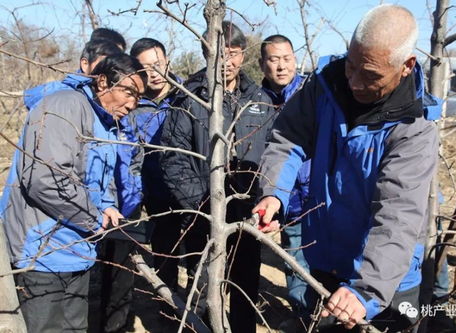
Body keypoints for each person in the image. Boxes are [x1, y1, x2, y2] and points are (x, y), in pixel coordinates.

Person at [253, 5, 439, 332]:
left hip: (387, 279)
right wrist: (275, 194)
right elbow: (289, 138)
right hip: (324, 258)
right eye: (351, 66)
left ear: (406, 66)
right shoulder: (325, 85)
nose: (353, 82)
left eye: (370, 75)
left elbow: (398, 215)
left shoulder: (416, 127)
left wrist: (366, 291)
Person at [0, 54, 146, 333]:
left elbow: (99, 181)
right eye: (129, 92)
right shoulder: (64, 105)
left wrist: (107, 206)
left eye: (138, 97)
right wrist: (94, 218)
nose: (132, 104)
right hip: (42, 253)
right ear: (102, 81)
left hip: (78, 251)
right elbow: (46, 180)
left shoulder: (105, 122)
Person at [160, 21, 275, 333]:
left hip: (247, 218)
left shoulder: (259, 100)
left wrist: (265, 200)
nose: (227, 62)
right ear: (205, 54)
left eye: (234, 53)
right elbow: (173, 159)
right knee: (201, 293)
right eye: (218, 54)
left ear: (243, 54)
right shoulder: (189, 99)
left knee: (244, 293)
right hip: (201, 217)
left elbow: (273, 156)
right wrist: (201, 204)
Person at [99, 37, 182, 332]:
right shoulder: (130, 105)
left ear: (168, 61)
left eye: (158, 64)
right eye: (146, 68)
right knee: (163, 257)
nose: (155, 73)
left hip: (188, 194)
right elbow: (124, 157)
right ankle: (167, 312)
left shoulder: (187, 97)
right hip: (150, 195)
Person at [259, 34, 310, 319]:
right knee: (296, 267)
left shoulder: (311, 93)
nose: (281, 66)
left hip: (320, 197)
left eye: (287, 58)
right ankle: (305, 319)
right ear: (262, 63)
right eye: (274, 59)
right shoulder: (254, 100)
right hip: (286, 202)